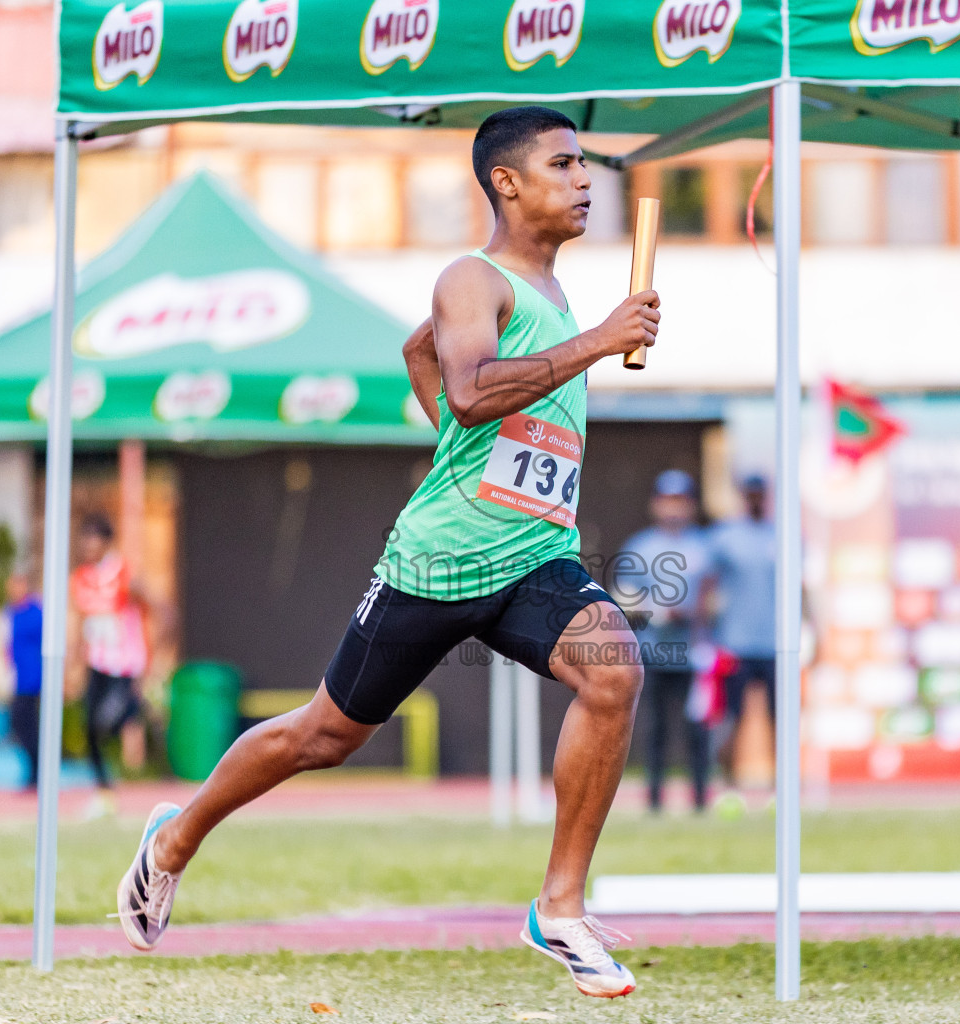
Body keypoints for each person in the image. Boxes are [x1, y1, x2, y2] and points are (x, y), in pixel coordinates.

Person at [114, 106, 660, 999]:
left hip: (533, 555)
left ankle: (560, 908)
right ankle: (175, 838)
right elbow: (475, 393)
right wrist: (599, 341)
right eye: (563, 165)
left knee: (614, 668)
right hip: (438, 563)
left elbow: (426, 358)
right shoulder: (471, 278)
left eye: (586, 165)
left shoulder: (548, 293)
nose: (585, 180)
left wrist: (473, 410)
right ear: (507, 183)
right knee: (323, 736)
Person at [614, 470, 712, 814]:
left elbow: (719, 596)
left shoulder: (705, 546)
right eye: (668, 501)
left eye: (680, 501)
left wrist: (698, 610)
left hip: (694, 653)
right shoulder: (640, 547)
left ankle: (701, 800)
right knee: (654, 730)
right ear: (656, 504)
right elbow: (623, 600)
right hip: (652, 652)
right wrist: (659, 610)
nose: (673, 508)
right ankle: (654, 800)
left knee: (697, 731)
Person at [70, 513, 151, 818]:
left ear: (106, 542)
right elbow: (83, 621)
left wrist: (154, 645)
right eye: (84, 539)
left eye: (93, 539)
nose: (87, 546)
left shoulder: (123, 574)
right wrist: (76, 661)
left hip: (124, 663)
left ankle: (134, 712)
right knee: (89, 725)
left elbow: (152, 606)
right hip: (97, 662)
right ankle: (103, 791)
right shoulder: (81, 578)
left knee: (108, 720)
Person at [707, 474, 777, 794]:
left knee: (781, 719)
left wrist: (812, 626)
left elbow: (800, 586)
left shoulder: (782, 533)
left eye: (759, 493)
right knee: (732, 718)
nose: (755, 499)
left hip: (777, 643)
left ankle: (782, 786)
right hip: (735, 642)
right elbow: (707, 584)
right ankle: (728, 784)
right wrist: (705, 631)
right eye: (750, 493)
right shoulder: (725, 536)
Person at [6, 572, 43, 789]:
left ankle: (37, 772)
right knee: (20, 724)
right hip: (18, 677)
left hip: (33, 677)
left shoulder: (35, 612)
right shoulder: (11, 613)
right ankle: (33, 770)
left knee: (28, 724)